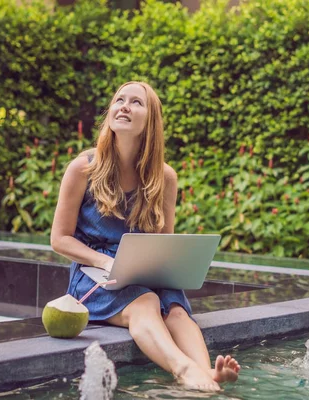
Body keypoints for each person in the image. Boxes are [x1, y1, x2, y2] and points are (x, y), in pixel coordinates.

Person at [50, 81, 240, 391]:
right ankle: (183, 370)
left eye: (136, 102)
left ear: (150, 121)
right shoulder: (82, 169)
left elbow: (163, 244)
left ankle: (206, 372)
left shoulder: (164, 177)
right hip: (93, 275)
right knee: (145, 301)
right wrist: (106, 261)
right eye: (119, 100)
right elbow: (59, 239)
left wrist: (170, 268)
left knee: (175, 309)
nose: (124, 106)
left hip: (142, 272)